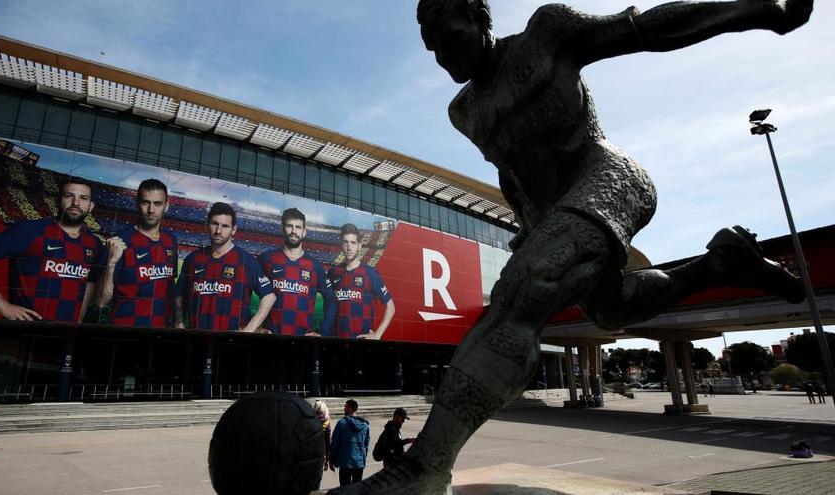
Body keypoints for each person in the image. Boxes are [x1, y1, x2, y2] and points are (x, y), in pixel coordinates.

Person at [331, 1, 813, 493]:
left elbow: (647, 30)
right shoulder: (465, 111)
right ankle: (720, 263)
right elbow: (512, 166)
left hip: (610, 179)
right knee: (611, 308)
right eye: (432, 49)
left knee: (518, 298)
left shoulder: (546, 35)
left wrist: (758, 11)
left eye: (449, 38)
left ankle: (424, 468)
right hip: (556, 209)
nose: (442, 58)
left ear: (480, 20)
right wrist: (529, 223)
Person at [0, 177, 101, 322]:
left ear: (91, 206)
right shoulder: (31, 230)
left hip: (65, 334)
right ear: (58, 200)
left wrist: (79, 320)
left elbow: (90, 283)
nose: (75, 203)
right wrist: (1, 303)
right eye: (68, 195)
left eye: (83, 198)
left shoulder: (94, 243)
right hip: (25, 331)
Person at [175, 202, 275, 331]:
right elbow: (179, 295)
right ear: (207, 225)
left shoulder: (246, 261)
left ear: (233, 230)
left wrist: (249, 329)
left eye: (225, 226)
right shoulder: (193, 259)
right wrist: (179, 322)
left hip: (231, 343)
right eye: (214, 224)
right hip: (197, 339)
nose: (218, 231)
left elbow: (269, 296)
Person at [95, 179, 178, 327]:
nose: (151, 210)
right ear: (137, 203)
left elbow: (170, 286)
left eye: (157, 203)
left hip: (161, 330)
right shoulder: (120, 241)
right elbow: (101, 301)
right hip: (126, 329)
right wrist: (111, 263)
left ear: (166, 206)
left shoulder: (171, 240)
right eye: (146, 202)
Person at [258, 208, 336, 336]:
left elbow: (331, 300)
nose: (294, 231)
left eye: (298, 227)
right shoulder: (266, 259)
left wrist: (323, 332)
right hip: (271, 338)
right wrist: (253, 327)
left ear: (304, 232)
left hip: (303, 342)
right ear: (283, 228)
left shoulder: (315, 266)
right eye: (289, 226)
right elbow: (243, 291)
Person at [328, 223, 396, 339]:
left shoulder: (370, 273)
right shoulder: (333, 272)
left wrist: (378, 334)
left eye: (353, 243)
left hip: (361, 341)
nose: (349, 247)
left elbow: (391, 307)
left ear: (359, 246)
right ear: (342, 244)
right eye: (346, 242)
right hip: (336, 339)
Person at [329, 399, 370, 487]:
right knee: (356, 489)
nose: (344, 409)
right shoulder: (365, 425)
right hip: (359, 463)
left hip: (345, 462)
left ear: (350, 409)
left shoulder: (341, 423)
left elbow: (335, 443)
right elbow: (366, 445)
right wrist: (363, 458)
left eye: (345, 407)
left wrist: (331, 459)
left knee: (345, 489)